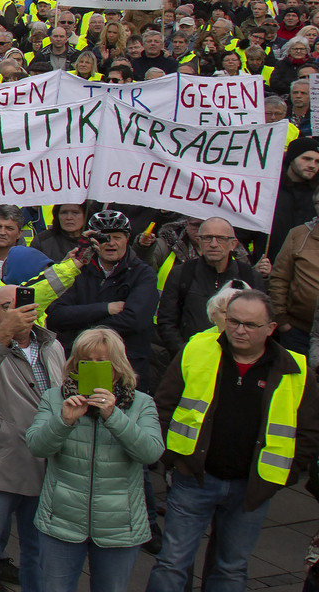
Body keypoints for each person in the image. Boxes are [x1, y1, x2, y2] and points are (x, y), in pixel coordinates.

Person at [146, 288, 319, 592]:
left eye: (250, 325)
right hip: (194, 480)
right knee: (172, 564)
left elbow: (308, 432)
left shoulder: (296, 370)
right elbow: (162, 406)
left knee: (230, 570)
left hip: (251, 488)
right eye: (234, 321)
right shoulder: (196, 351)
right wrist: (173, 459)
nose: (239, 330)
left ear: (271, 328)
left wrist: (285, 475)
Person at [26, 328, 163, 592]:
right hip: (62, 522)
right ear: (75, 364)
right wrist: (64, 421)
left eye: (103, 361)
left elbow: (151, 452)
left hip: (120, 527)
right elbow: (37, 446)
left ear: (118, 366)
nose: (94, 367)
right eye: (86, 361)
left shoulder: (141, 403)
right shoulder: (55, 398)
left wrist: (114, 417)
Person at [0, 282, 63, 592]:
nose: (17, 312)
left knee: (38, 551)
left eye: (22, 304)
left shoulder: (52, 345)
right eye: (8, 307)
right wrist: (4, 335)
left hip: (45, 465)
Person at [45, 210, 158, 387]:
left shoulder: (143, 274)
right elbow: (56, 315)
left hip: (127, 367)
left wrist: (83, 329)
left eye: (116, 237)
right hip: (80, 365)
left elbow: (134, 319)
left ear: (127, 238)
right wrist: (105, 308)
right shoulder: (77, 271)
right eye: (103, 238)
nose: (110, 243)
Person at [159, 218, 263, 350]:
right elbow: (166, 321)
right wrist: (184, 352)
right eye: (207, 238)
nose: (213, 244)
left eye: (221, 239)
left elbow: (260, 322)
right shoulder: (182, 274)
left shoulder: (250, 276)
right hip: (192, 357)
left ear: (233, 244)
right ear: (199, 241)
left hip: (236, 359)